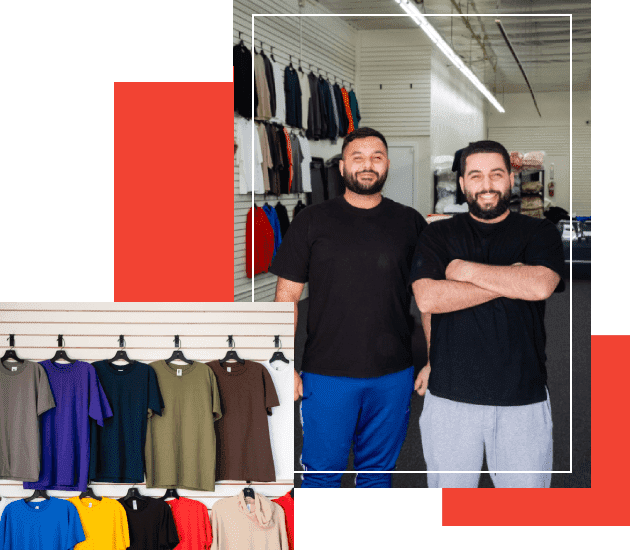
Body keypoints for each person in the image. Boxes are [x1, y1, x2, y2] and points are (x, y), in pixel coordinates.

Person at [270, 127, 427, 488]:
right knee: (321, 476)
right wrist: (283, 362)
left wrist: (435, 358)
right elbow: (286, 298)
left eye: (376, 157)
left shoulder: (410, 222)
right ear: (342, 167)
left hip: (394, 374)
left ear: (387, 165)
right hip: (327, 375)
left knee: (377, 476)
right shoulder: (312, 220)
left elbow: (430, 299)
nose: (367, 165)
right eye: (358, 158)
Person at [410, 140, 565, 488]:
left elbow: (540, 286)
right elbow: (428, 299)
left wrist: (462, 269)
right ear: (463, 183)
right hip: (449, 396)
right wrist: (512, 278)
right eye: (475, 175)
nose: (487, 184)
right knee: (450, 515)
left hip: (521, 396)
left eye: (496, 174)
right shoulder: (437, 233)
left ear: (510, 178)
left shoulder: (539, 232)